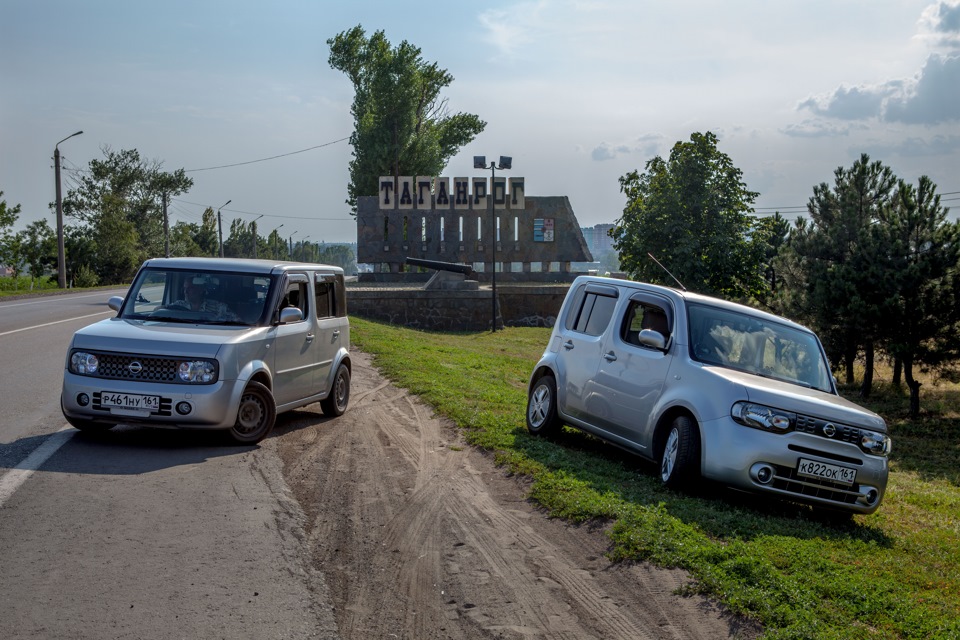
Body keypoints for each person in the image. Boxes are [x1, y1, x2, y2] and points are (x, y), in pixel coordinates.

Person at [172, 277, 239, 321]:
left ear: (201, 290)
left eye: (190, 288)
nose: (185, 292)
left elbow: (238, 322)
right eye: (184, 288)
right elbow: (162, 311)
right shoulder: (178, 305)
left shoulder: (218, 307)